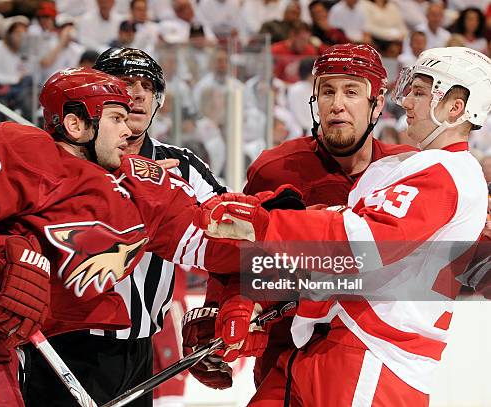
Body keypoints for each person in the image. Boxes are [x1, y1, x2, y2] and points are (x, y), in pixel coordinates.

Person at [0, 66, 239, 406]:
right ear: (76, 124)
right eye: (116, 118)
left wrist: (281, 268)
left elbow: (209, 244)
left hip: (6, 348)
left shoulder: (142, 183)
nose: (127, 129)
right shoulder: (25, 148)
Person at [198, 46, 490, 406]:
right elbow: (267, 259)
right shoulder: (396, 170)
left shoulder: (442, 173)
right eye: (327, 91)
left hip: (371, 353)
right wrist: (243, 303)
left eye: (351, 91)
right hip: (310, 348)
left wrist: (266, 224)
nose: (409, 104)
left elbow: (361, 244)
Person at [181, 43, 416, 393]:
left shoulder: (408, 171)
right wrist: (216, 313)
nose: (337, 104)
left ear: (377, 103)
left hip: (375, 361)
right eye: (327, 91)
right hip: (285, 358)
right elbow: (240, 259)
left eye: (351, 91)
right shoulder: (275, 168)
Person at [23, 47, 227, 407]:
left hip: (139, 350)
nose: (136, 94)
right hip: (64, 343)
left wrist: (220, 308)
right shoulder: (62, 158)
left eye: (147, 86)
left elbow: (229, 236)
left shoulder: (182, 164)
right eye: (125, 82)